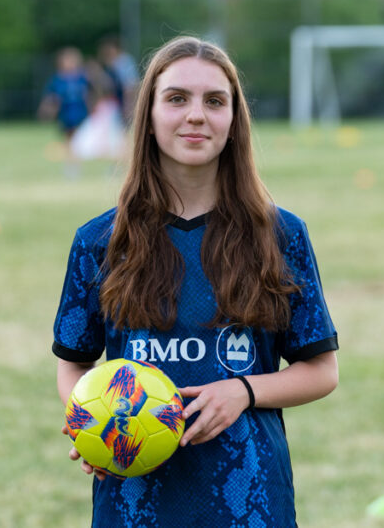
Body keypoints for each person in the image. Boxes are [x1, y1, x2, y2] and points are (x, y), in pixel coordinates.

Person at [52, 36, 339, 526]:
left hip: (250, 501)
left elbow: (321, 371)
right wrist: (92, 420)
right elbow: (74, 366)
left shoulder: (280, 234)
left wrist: (243, 391)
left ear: (234, 120)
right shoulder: (100, 241)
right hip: (134, 502)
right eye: (177, 98)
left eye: (214, 101)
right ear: (149, 115)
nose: (196, 115)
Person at [37, 47, 90, 178]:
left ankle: (76, 165)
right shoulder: (58, 80)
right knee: (69, 140)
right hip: (66, 115)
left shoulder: (82, 78)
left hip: (80, 114)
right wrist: (46, 111)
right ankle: (71, 166)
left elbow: (90, 95)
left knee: (78, 141)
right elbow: (51, 98)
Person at [98, 35, 139, 124]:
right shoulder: (112, 64)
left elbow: (129, 85)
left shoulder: (123, 62)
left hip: (124, 100)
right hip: (116, 101)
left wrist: (128, 105)